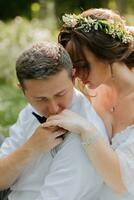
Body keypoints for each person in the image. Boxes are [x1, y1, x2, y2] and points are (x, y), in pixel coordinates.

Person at [43, 8, 134, 199]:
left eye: (82, 65)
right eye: (73, 68)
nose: (76, 75)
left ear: (106, 53)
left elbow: (121, 182)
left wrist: (86, 130)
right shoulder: (89, 89)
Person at [0, 42, 109, 200]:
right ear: (22, 91)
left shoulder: (82, 138)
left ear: (73, 77)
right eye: (41, 99)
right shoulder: (30, 111)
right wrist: (31, 147)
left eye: (60, 94)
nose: (53, 108)